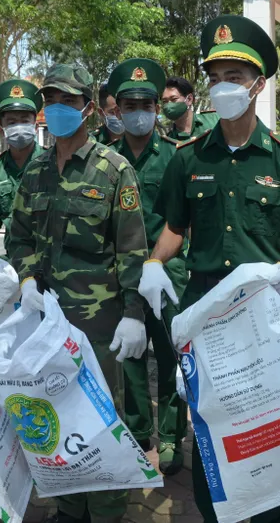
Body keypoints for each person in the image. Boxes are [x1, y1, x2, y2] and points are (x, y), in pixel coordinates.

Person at [141, 15, 280, 523]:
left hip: (264, 308)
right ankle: (216, 512)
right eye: (216, 76)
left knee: (270, 420)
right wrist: (155, 261)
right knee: (211, 423)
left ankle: (273, 515)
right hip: (205, 308)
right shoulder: (188, 158)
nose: (224, 86)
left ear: (258, 85)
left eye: (235, 77)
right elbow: (175, 226)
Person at [8, 63, 150, 523]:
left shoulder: (114, 169)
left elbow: (132, 249)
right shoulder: (36, 170)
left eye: (67, 101)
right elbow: (18, 235)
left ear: (87, 108)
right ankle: (70, 507)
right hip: (47, 321)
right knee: (58, 412)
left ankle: (106, 511)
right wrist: (26, 278)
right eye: (50, 100)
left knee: (103, 416)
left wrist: (134, 313)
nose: (57, 108)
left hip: (100, 323)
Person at [106, 58, 188, 474]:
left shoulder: (176, 156)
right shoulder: (105, 159)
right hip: (122, 274)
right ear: (117, 110)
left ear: (157, 109)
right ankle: (138, 432)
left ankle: (171, 436)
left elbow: (183, 219)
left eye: (146, 105)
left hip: (168, 273)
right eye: (130, 106)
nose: (138, 113)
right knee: (130, 357)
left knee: (173, 354)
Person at [0, 79, 43, 245]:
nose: (19, 127)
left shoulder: (53, 162)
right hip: (13, 254)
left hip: (48, 255)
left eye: (25, 121)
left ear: (35, 126)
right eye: (12, 122)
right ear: (1, 130)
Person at [161, 75, 220, 141]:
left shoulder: (215, 120)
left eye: (174, 99)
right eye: (165, 101)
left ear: (189, 99)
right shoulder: (169, 141)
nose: (168, 104)